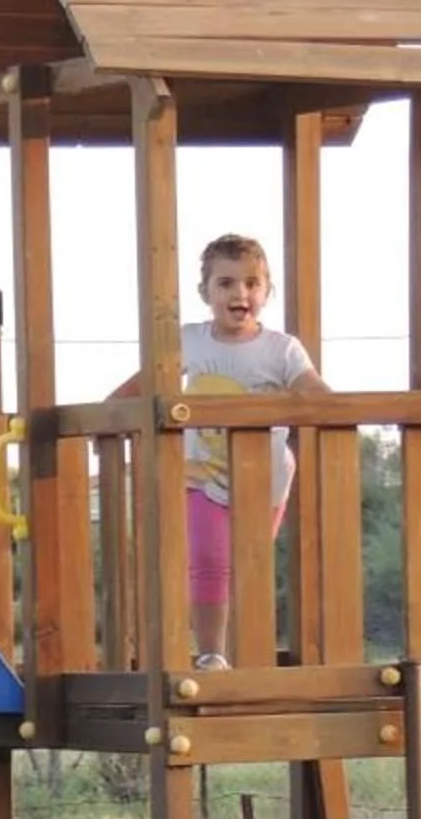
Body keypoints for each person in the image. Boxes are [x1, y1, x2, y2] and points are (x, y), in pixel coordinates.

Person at [107, 233, 327, 670]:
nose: (240, 293)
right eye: (226, 283)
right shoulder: (191, 340)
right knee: (209, 560)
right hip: (200, 476)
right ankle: (211, 654)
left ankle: (248, 655)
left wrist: (336, 409)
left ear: (267, 291)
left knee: (248, 565)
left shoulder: (281, 349)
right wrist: (107, 414)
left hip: (264, 480)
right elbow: (140, 385)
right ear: (205, 292)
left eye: (252, 283)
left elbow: (316, 394)